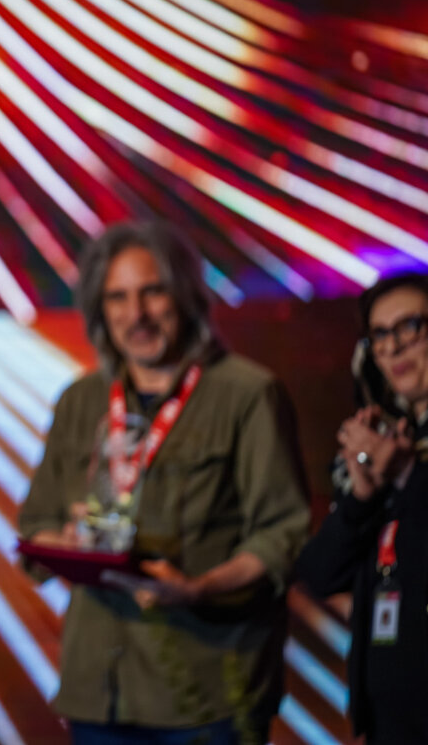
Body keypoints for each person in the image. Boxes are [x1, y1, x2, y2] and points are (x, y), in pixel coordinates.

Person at [18, 221, 311, 745]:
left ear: (186, 296)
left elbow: (281, 535)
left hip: (206, 693)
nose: (137, 314)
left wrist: (198, 588)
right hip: (97, 692)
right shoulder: (79, 401)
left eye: (152, 292)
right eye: (118, 297)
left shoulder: (248, 394)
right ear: (100, 310)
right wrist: (63, 544)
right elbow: (36, 523)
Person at [295, 273, 428, 744]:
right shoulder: (390, 443)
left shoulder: (403, 461)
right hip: (389, 719)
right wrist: (362, 497)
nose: (393, 347)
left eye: (410, 326)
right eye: (380, 335)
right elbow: (319, 574)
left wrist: (407, 479)